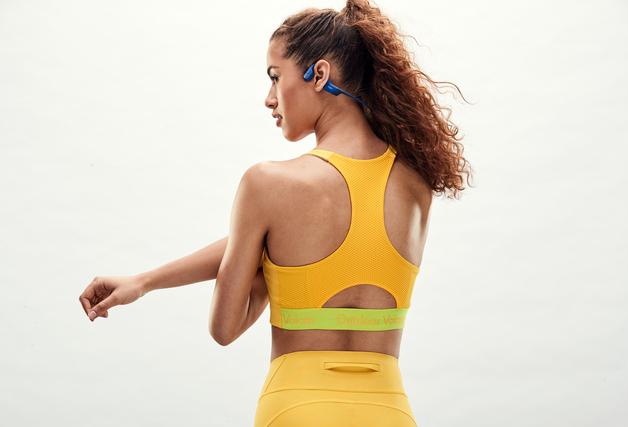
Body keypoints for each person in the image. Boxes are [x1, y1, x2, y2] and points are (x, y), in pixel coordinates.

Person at [78, 0, 473, 425]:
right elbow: (335, 241)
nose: (269, 99)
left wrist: (270, 270)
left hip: (296, 408)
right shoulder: (415, 183)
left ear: (319, 74)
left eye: (274, 76)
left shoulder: (268, 184)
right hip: (389, 410)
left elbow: (224, 328)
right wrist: (144, 281)